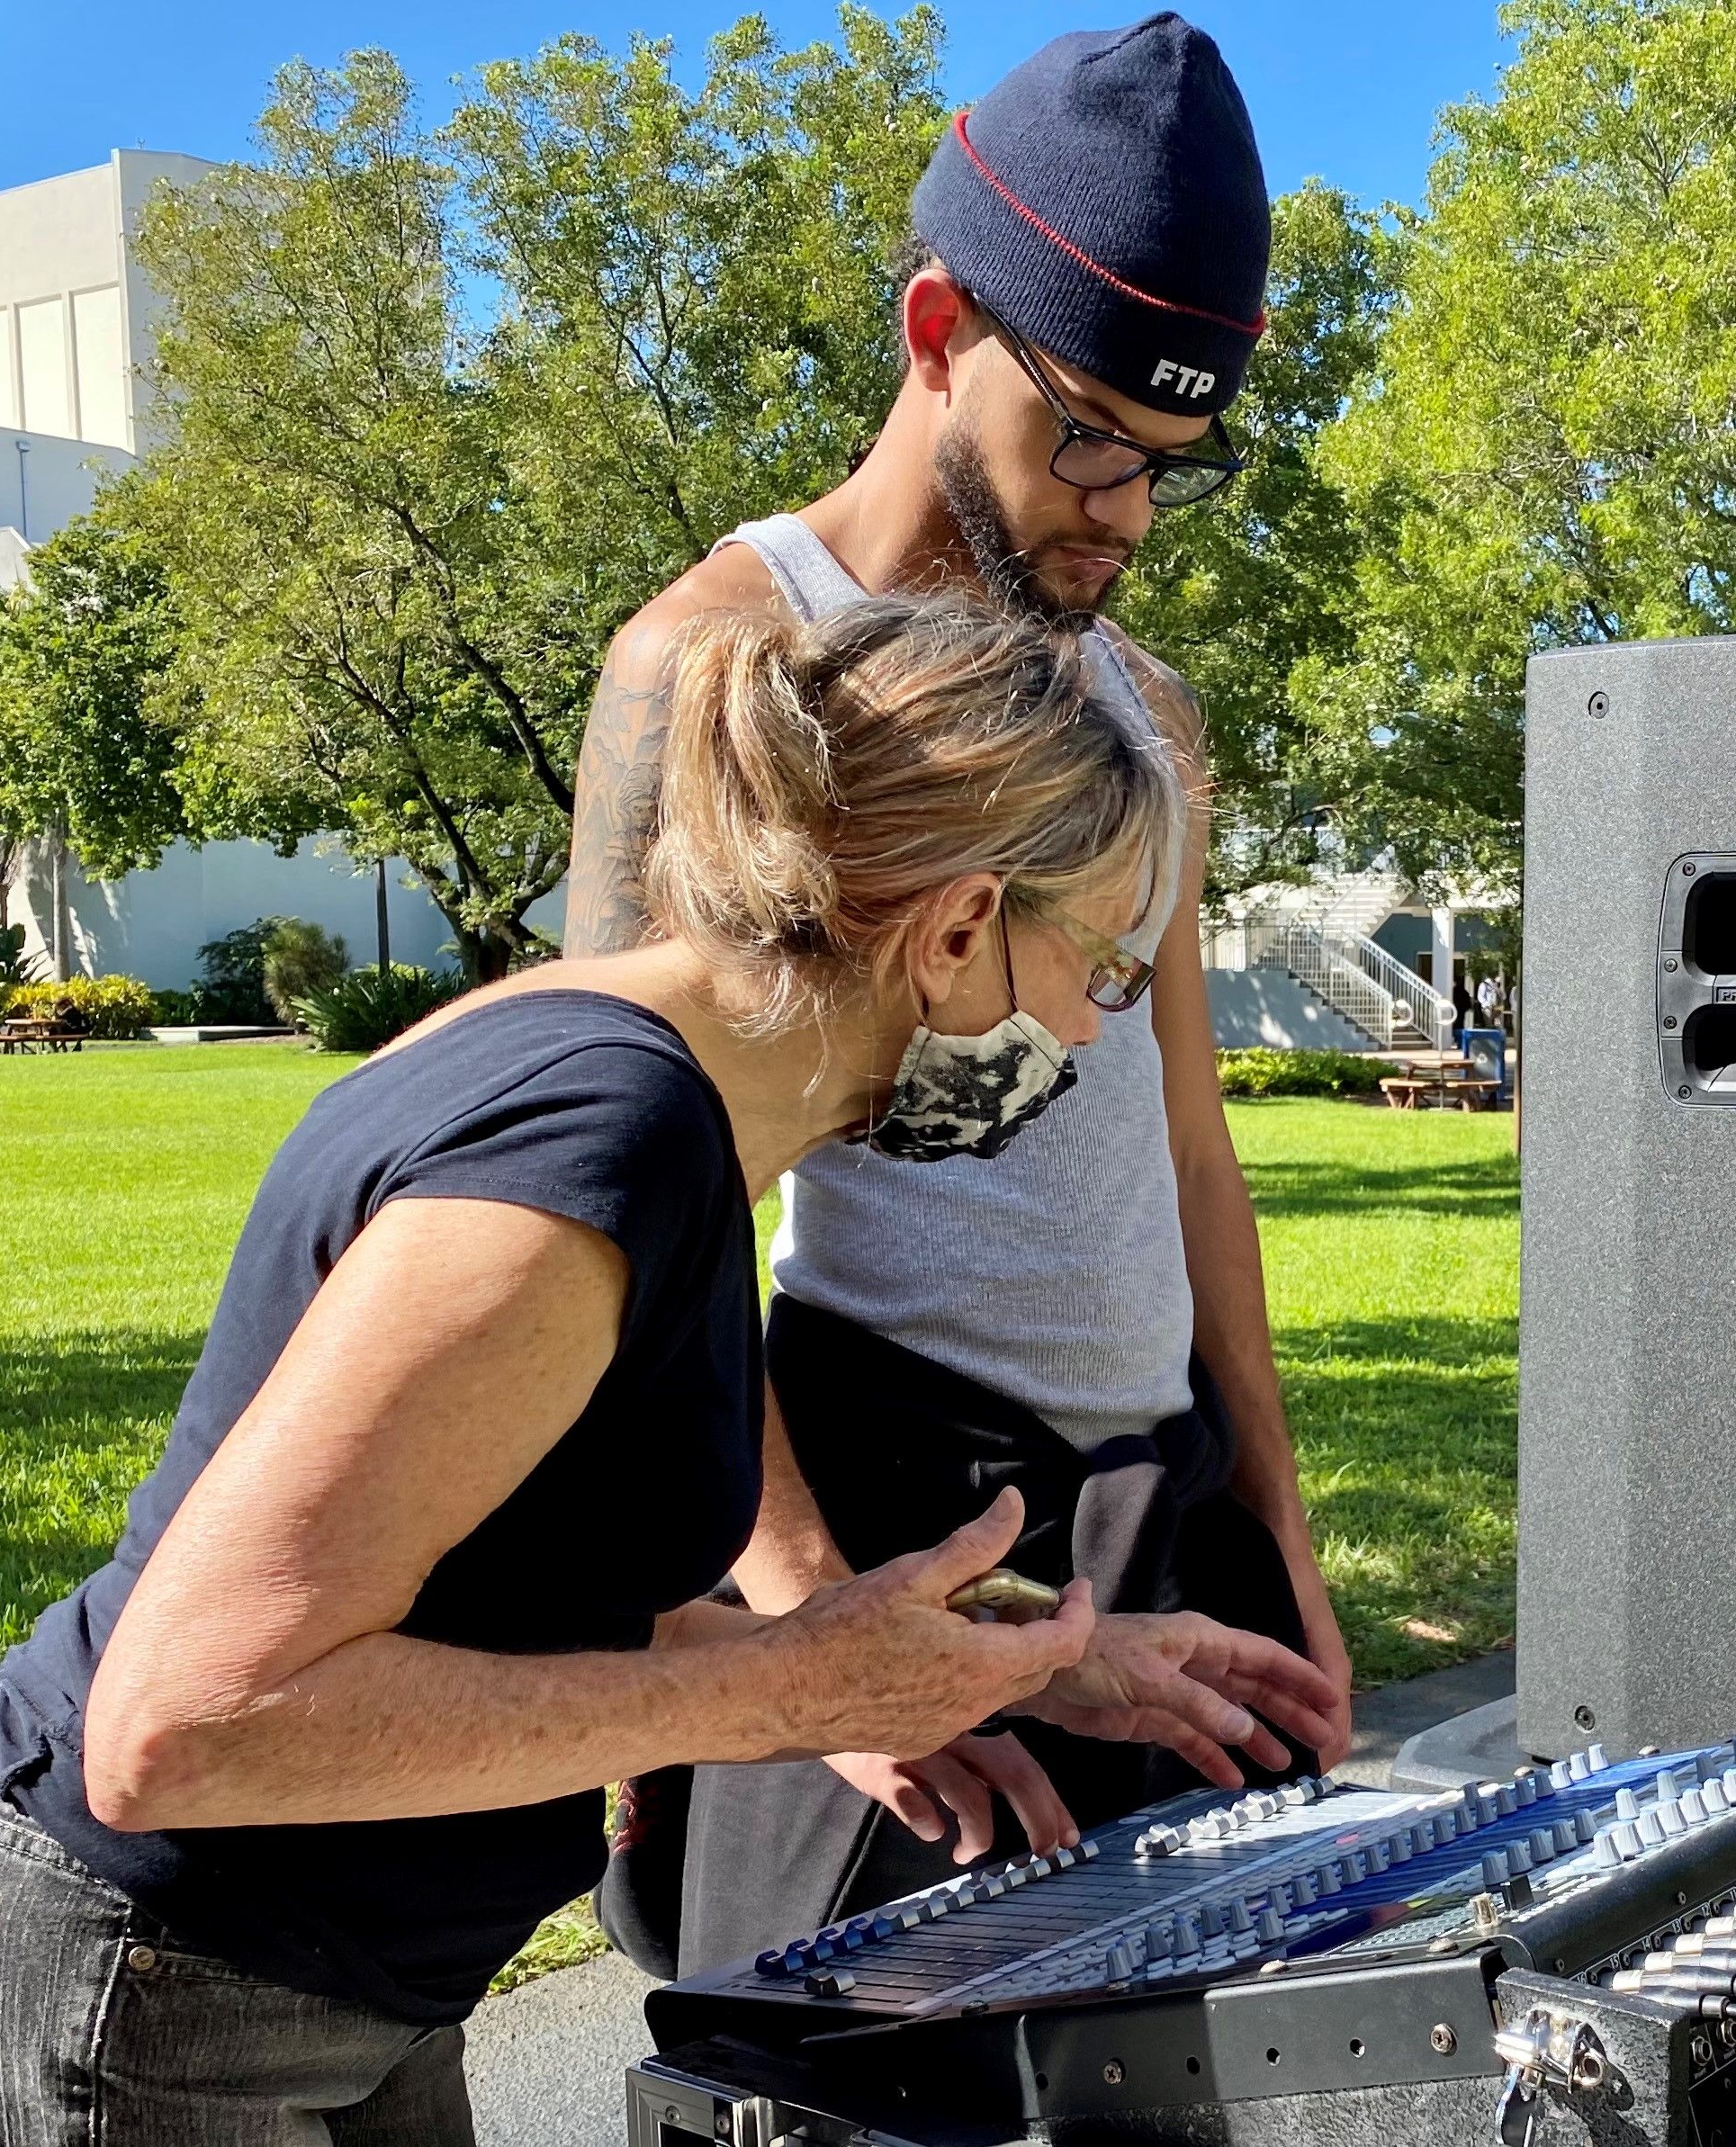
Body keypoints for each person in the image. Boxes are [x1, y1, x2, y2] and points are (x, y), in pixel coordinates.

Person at [0, 597, 1340, 2147]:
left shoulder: (650, 1085)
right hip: (121, 2004)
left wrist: (1027, 1657)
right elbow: (182, 1725)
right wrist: (779, 1693)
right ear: (954, 928)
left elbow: (510, 1580)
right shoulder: (595, 1146)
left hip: (312, 1992)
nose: (1091, 1028)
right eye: (1100, 965)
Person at [563, 14, 1356, 1976]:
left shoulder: (1138, 712)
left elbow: (1187, 1146)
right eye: (1086, 431)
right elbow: (611, 1194)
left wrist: (1276, 1520)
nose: (1125, 511)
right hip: (877, 1484)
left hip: (1149, 1501)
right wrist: (811, 1621)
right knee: (849, 2075)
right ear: (938, 325)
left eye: (1176, 462)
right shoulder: (713, 662)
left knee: (1189, 2064)